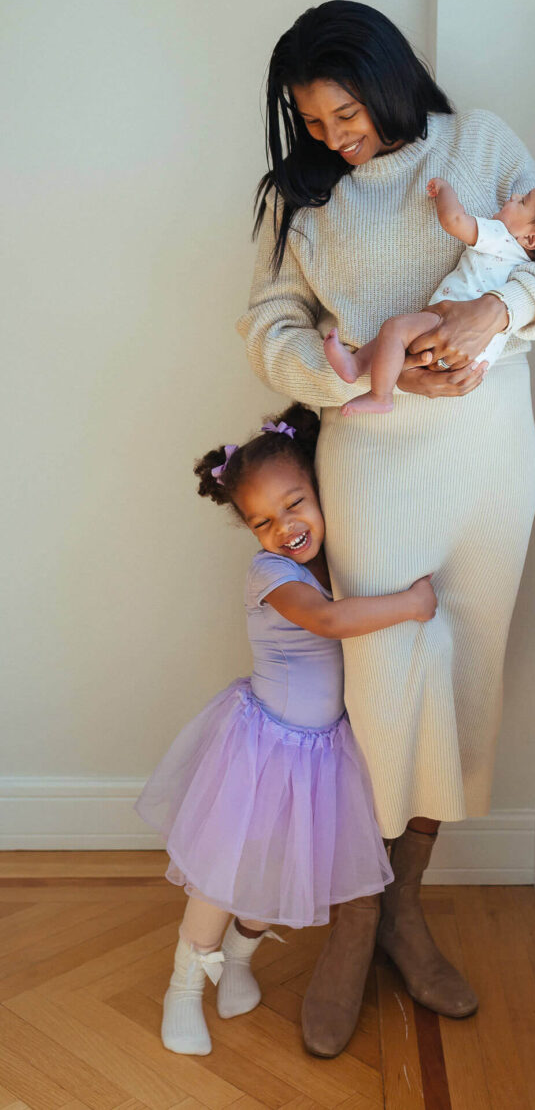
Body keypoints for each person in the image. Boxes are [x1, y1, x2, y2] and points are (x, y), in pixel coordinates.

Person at [238, 0, 535, 1030]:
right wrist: (345, 383)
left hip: (489, 470)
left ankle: (405, 909)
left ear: (391, 80)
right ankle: (354, 922)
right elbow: (267, 323)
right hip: (375, 471)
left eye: (346, 115)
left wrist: (497, 311)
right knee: (382, 693)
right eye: (314, 123)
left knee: (464, 685)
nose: (335, 137)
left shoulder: (478, 143)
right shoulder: (306, 204)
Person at [134, 405, 436, 1058]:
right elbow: (328, 623)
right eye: (262, 522)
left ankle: (239, 960)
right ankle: (184, 984)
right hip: (262, 751)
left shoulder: (337, 562)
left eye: (295, 506)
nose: (284, 528)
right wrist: (411, 605)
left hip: (320, 757)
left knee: (274, 876)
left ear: (321, 493)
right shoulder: (270, 575)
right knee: (222, 879)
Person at [324, 175, 535, 414]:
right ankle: (357, 364)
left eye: (523, 201)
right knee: (398, 337)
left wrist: (445, 190)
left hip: (447, 326)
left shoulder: (502, 237)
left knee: (394, 329)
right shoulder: (533, 266)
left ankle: (379, 395)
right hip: (473, 361)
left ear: (531, 239)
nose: (515, 196)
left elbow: (455, 220)